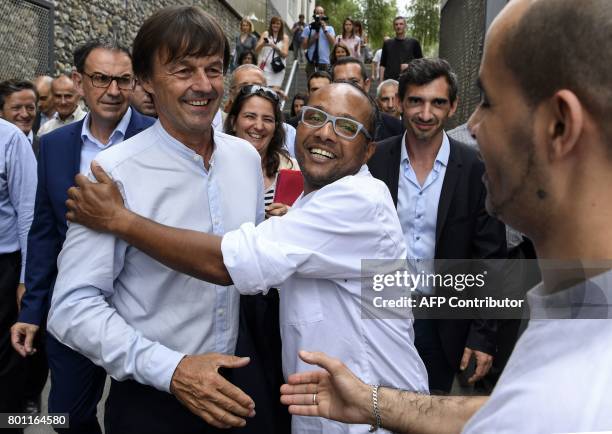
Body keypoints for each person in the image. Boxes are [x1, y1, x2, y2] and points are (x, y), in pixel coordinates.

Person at [280, 0, 612, 432]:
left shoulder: (584, 396)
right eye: (415, 102)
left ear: (559, 126)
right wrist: (374, 402)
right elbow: (507, 408)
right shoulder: (578, 315)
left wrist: (480, 331)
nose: (473, 124)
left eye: (489, 101)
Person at [62, 81, 429, 434]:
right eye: (315, 117)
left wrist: (120, 219)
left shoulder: (359, 198)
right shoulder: (312, 197)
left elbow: (226, 264)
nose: (326, 133)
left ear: (368, 151)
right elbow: (71, 308)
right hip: (325, 410)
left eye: (346, 127)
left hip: (374, 416)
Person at [46, 8, 262, 433]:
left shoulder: (246, 159)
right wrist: (173, 370)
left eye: (214, 69)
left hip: (240, 389)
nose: (203, 86)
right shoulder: (113, 173)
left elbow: (247, 268)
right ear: (145, 80)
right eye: (183, 70)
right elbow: (71, 308)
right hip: (153, 399)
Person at [11, 39, 155, 434]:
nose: (113, 90)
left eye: (123, 80)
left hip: (142, 309)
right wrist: (32, 311)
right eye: (101, 78)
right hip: (72, 307)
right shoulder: (54, 145)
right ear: (79, 81)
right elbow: (44, 233)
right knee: (66, 418)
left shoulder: (158, 139)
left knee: (136, 420)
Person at [368, 58, 506, 394]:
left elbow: (492, 259)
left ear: (454, 106)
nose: (425, 114)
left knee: (434, 413)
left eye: (437, 102)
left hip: (445, 323)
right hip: (380, 318)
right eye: (416, 101)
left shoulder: (475, 169)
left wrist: (482, 335)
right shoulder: (372, 161)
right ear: (400, 103)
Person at [224, 84, 296, 434]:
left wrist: (290, 218)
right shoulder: (215, 162)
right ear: (234, 119)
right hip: (227, 287)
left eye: (268, 118)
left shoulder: (289, 167)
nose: (258, 125)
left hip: (273, 295)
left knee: (273, 379)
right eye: (250, 116)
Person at [0, 118, 37, 433]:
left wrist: (26, 278)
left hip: (5, 267)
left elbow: (28, 212)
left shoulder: (10, 139)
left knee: (6, 357)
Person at [223, 64, 297, 157]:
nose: (252, 93)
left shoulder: (289, 134)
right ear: (231, 94)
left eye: (257, 87)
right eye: (244, 88)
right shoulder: (216, 133)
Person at [331, 56, 403, 140]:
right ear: (331, 86)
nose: (348, 87)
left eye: (354, 81)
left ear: (366, 85)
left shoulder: (396, 128)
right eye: (340, 82)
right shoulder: (322, 124)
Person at [0, 80, 40, 156]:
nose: (25, 114)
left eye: (30, 108)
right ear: (1, 111)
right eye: (16, 108)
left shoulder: (46, 148)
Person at [301, 5, 336, 77]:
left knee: (325, 85)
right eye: (317, 13)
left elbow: (334, 43)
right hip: (312, 62)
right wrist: (313, 38)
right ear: (314, 15)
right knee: (311, 85)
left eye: (321, 13)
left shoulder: (329, 28)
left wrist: (324, 30)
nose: (320, 15)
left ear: (324, 15)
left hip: (325, 62)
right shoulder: (308, 28)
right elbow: (304, 46)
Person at [255, 16, 289, 89]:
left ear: (281, 26)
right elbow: (256, 50)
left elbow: (285, 54)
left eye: (278, 24)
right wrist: (263, 43)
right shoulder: (265, 34)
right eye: (273, 23)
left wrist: (275, 47)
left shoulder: (285, 37)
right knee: (262, 90)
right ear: (271, 24)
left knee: (274, 93)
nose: (275, 25)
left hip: (277, 69)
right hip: (264, 68)